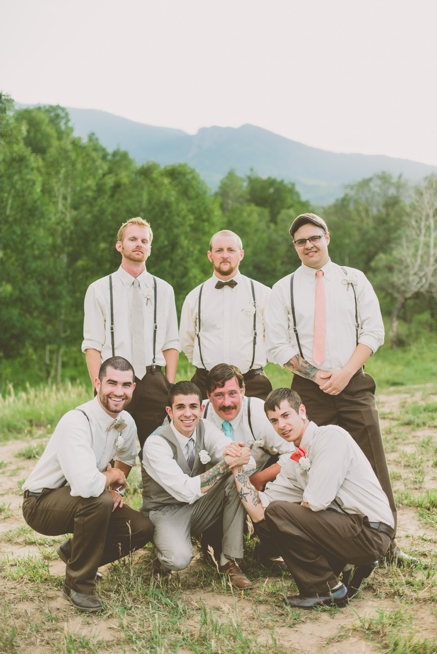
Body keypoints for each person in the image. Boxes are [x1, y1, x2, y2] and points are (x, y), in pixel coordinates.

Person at [264, 212, 413, 564]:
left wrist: (346, 372)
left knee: (373, 461)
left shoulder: (353, 279)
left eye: (314, 237)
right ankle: (331, 542)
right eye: (301, 241)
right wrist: (317, 376)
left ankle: (388, 545)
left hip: (354, 381)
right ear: (295, 247)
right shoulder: (282, 288)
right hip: (309, 388)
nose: (308, 245)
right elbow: (277, 346)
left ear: (327, 237)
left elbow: (373, 331)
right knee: (313, 464)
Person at [229, 388, 394, 608]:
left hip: (371, 531)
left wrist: (295, 525)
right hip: (346, 528)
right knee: (270, 522)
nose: (282, 426)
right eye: (274, 421)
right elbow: (259, 512)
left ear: (302, 411)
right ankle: (347, 565)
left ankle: (326, 590)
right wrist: (237, 468)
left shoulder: (330, 437)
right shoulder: (293, 462)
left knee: (280, 513)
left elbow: (317, 502)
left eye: (286, 416)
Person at [21, 356, 154, 612]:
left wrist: (115, 487)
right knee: (98, 500)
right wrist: (112, 478)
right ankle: (78, 585)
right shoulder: (77, 421)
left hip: (86, 497)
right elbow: (86, 486)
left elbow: (126, 457)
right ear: (98, 383)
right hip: (41, 502)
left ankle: (75, 553)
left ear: (133, 388)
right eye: (111, 383)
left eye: (126, 385)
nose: (118, 391)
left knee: (140, 528)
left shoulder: (126, 422)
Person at [141, 381, 253, 589]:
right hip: (165, 510)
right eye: (180, 407)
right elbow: (185, 490)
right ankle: (162, 553)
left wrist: (239, 455)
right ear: (169, 411)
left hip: (200, 505)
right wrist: (227, 463)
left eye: (193, 406)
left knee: (233, 480)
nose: (187, 413)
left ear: (201, 409)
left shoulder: (205, 428)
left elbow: (243, 460)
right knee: (179, 559)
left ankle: (228, 560)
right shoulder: (156, 443)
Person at [82, 217, 179, 449]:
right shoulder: (99, 289)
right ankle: (108, 485)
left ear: (150, 248)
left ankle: (154, 486)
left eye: (144, 241)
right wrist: (99, 386)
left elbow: (171, 343)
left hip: (154, 378)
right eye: (133, 239)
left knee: (157, 447)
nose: (139, 244)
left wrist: (169, 384)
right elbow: (92, 344)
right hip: (114, 379)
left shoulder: (164, 289)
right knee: (108, 446)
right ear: (120, 245)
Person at [197, 363, 295, 564]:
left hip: (260, 482)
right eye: (219, 395)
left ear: (243, 390)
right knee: (212, 555)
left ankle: (268, 546)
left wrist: (259, 479)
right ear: (207, 394)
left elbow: (294, 452)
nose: (227, 402)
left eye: (233, 393)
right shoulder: (197, 415)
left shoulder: (259, 412)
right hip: (216, 489)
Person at [180, 230, 272, 399]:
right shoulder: (195, 296)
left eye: (231, 250)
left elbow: (273, 336)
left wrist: (256, 361)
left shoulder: (263, 294)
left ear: (241, 254)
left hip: (252, 383)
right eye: (219, 250)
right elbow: (187, 340)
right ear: (210, 255)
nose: (225, 255)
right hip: (205, 383)